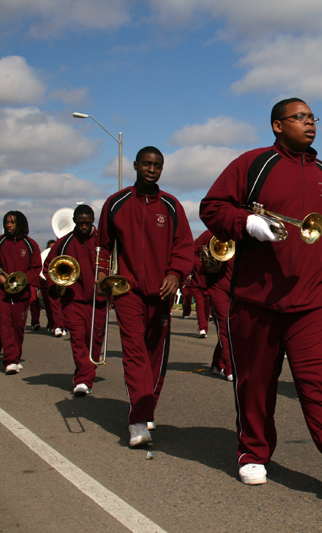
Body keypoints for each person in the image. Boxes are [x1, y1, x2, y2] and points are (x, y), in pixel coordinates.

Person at [200, 98, 322, 502]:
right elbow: (212, 208)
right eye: (300, 117)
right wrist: (246, 222)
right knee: (255, 383)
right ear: (277, 125)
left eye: (312, 117)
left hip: (312, 299)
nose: (310, 123)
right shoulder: (254, 164)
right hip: (256, 299)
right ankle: (253, 452)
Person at [97, 146, 194, 447]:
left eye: (157, 166)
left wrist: (175, 274)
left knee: (155, 352)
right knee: (134, 351)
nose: (152, 170)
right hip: (126, 291)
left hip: (161, 292)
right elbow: (103, 246)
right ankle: (138, 422)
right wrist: (102, 275)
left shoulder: (172, 205)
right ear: (136, 165)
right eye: (147, 164)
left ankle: (147, 407)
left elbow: (184, 246)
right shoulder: (116, 203)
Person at [44, 205, 106, 396]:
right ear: (74, 221)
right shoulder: (63, 243)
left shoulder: (103, 241)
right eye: (80, 223)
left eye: (87, 223)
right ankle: (83, 380)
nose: (84, 226)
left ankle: (86, 371)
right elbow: (49, 268)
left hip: (98, 301)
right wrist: (56, 286)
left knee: (94, 341)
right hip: (73, 300)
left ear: (93, 220)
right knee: (78, 339)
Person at [0, 211, 42, 374]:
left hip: (21, 292)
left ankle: (15, 356)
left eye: (12, 222)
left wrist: (23, 281)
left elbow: (36, 267)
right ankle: (10, 360)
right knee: (5, 324)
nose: (8, 225)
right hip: (1, 292)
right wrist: (0, 278)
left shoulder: (31, 244)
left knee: (18, 327)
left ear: (20, 224)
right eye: (7, 222)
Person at [193, 229, 233, 380]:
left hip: (239, 287)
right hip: (218, 287)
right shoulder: (210, 233)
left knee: (236, 327)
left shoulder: (245, 231)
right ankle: (231, 368)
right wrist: (205, 267)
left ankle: (218, 363)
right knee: (226, 326)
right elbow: (192, 253)